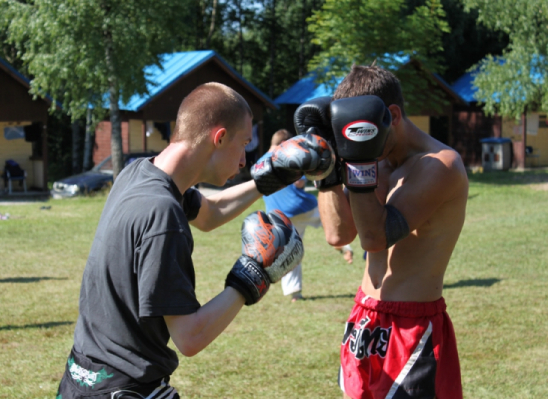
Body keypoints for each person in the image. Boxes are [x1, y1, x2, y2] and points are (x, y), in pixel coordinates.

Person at [56, 82, 333, 399]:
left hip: (82, 378)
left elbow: (211, 212)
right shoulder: (163, 214)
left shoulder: (139, 173)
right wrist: (253, 275)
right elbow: (189, 337)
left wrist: (268, 179)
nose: (244, 160)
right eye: (243, 144)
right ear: (219, 138)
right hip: (123, 389)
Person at [295, 66, 468, 398]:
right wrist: (327, 171)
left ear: (392, 115)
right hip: (364, 316)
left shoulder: (440, 165)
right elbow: (338, 234)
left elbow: (375, 236)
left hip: (411, 327)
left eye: (363, 130)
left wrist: (358, 162)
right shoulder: (381, 161)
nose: (358, 140)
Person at [259, 129, 322, 302]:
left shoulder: (260, 162)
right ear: (287, 143)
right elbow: (300, 182)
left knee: (290, 250)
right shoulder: (288, 155)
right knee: (335, 223)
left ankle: (295, 294)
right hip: (302, 207)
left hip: (277, 215)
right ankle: (347, 247)